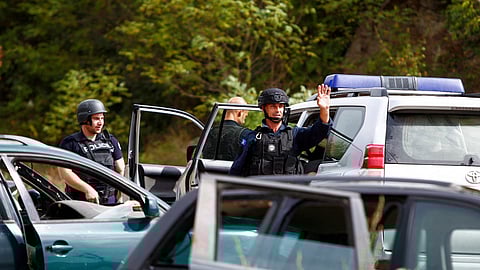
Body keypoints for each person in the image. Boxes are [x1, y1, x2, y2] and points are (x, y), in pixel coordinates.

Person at [229, 84, 332, 176]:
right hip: (260, 194)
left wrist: (324, 109)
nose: (278, 110)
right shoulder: (252, 137)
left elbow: (319, 131)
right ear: (264, 108)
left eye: (281, 106)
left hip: (288, 194)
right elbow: (237, 170)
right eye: (273, 106)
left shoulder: (295, 135)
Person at [59, 99, 125, 204]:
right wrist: (87, 189)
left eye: (102, 118)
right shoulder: (70, 143)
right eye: (96, 119)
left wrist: (120, 197)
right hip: (81, 203)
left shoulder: (111, 140)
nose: (100, 123)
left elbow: (120, 169)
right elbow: (65, 173)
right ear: (84, 119)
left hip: (110, 202)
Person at [203, 97, 250, 161]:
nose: (244, 119)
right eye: (245, 115)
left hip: (209, 170)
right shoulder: (245, 134)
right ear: (240, 112)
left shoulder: (210, 132)